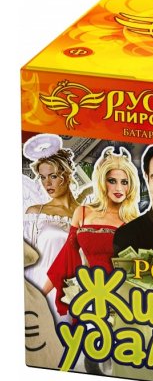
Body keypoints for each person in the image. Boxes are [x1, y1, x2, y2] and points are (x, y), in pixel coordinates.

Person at [43, 146, 140, 316]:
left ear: (131, 186)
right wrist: (40, 294)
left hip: (122, 298)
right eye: (112, 181)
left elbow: (141, 268)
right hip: (89, 294)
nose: (118, 188)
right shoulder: (82, 212)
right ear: (102, 182)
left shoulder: (133, 222)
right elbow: (66, 256)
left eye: (124, 182)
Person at [23, 134, 79, 320]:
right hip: (39, 287)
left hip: (73, 291)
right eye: (42, 177)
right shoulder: (36, 213)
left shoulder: (87, 214)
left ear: (66, 174)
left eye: (53, 176)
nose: (47, 183)